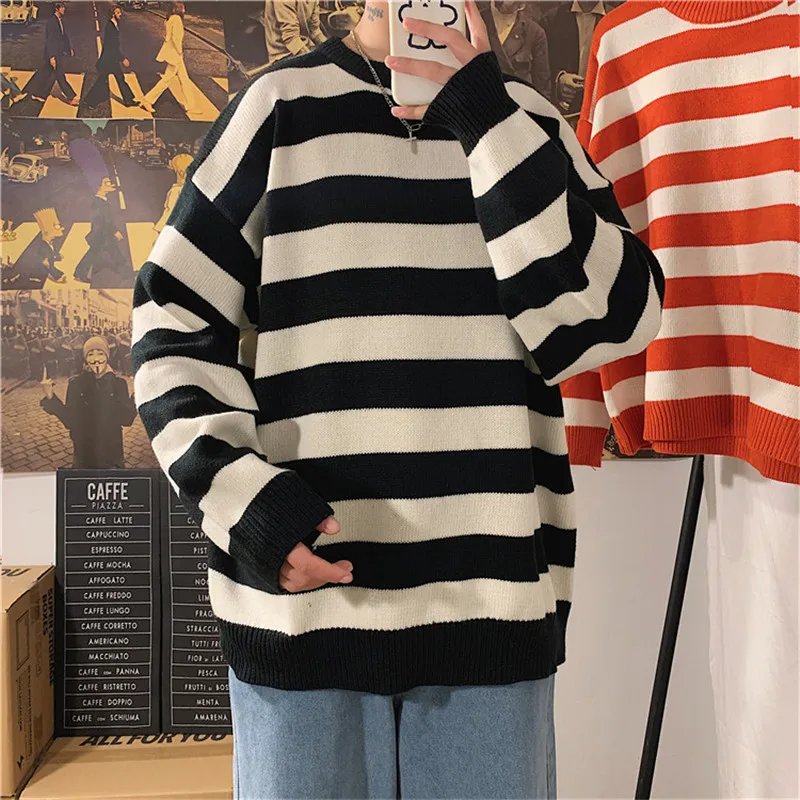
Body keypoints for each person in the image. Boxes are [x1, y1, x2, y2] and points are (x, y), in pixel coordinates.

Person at [131, 0, 664, 797]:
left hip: (489, 614)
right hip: (302, 610)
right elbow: (171, 322)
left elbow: (611, 324)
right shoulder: (277, 110)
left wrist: (485, 121)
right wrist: (249, 508)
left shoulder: (524, 121)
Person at [40, 335, 137, 468]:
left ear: (107, 356)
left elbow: (126, 419)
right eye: (91, 354)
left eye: (100, 353)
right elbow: (70, 420)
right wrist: (50, 397)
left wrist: (136, 397)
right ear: (85, 358)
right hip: (84, 452)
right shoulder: (76, 384)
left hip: (111, 453)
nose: (96, 359)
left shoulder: (118, 384)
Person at [138, 2, 197, 115]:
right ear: (178, 9)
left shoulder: (170, 19)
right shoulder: (177, 19)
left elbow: (166, 36)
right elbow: (175, 38)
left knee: (184, 79)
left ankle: (190, 106)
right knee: (167, 80)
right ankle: (147, 100)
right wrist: (180, 51)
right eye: (183, 7)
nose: (184, 10)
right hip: (175, 54)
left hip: (173, 53)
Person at [73, 177, 132, 287]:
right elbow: (102, 220)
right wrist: (114, 231)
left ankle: (126, 272)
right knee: (96, 253)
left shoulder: (102, 201)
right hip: (101, 234)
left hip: (103, 233)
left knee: (112, 252)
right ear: (99, 187)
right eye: (107, 183)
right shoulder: (98, 203)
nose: (111, 184)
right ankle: (80, 273)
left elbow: (106, 220)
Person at [83, 3, 138, 108]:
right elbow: (112, 46)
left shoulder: (114, 25)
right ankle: (89, 101)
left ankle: (129, 100)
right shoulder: (110, 27)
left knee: (120, 79)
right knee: (101, 81)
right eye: (118, 12)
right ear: (113, 14)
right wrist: (123, 58)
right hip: (108, 60)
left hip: (112, 60)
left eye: (120, 12)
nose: (120, 14)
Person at [28, 3, 79, 107]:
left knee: (46, 73)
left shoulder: (59, 20)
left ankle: (38, 94)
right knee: (60, 75)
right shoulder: (52, 22)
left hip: (57, 52)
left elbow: (63, 36)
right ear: (57, 9)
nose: (64, 9)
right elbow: (50, 40)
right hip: (53, 53)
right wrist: (51, 57)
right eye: (62, 7)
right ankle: (70, 97)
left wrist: (69, 49)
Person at [263, 0, 327, 66]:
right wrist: (312, 61)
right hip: (283, 57)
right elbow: (291, 39)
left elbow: (315, 32)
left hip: (304, 48)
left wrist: (330, 49)